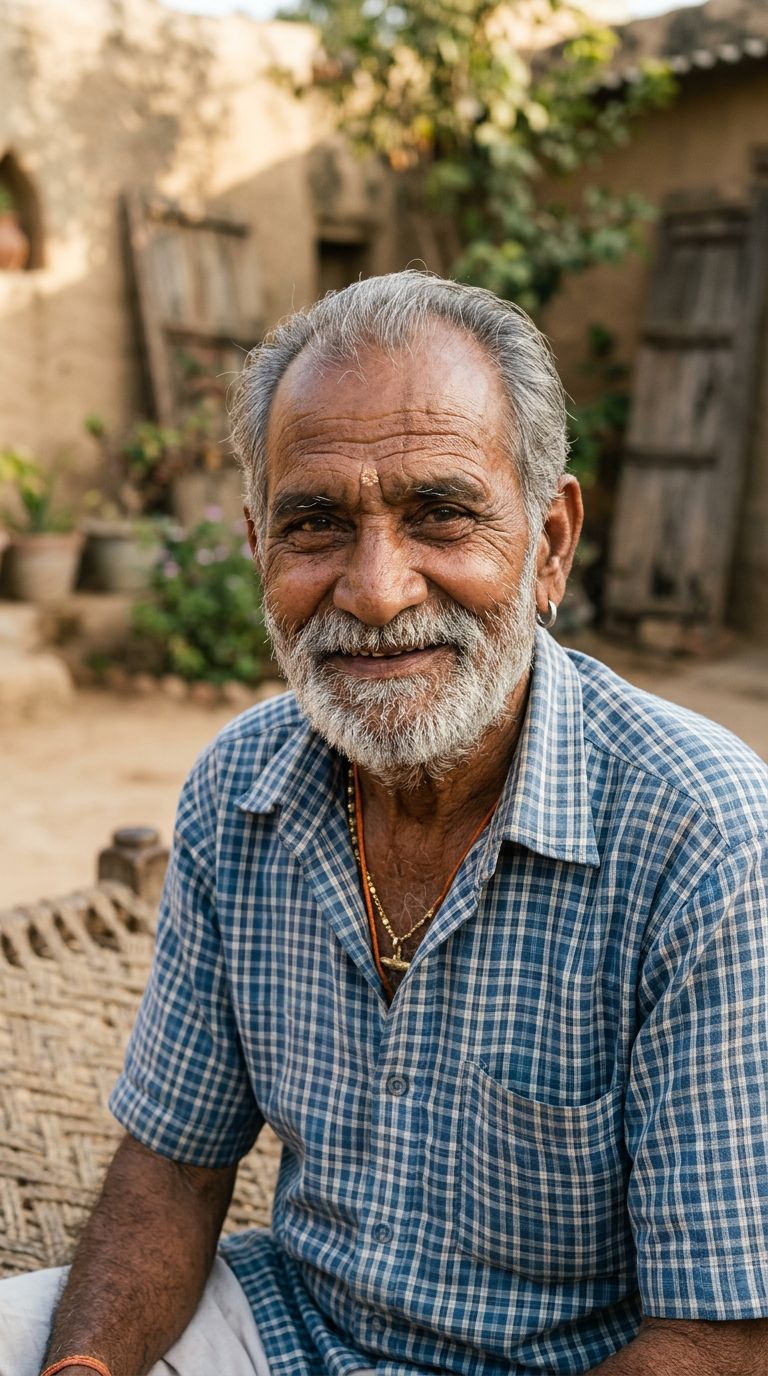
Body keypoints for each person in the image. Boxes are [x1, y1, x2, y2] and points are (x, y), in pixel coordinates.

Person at [2, 271, 767, 1376]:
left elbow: (718, 1337)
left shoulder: (703, 833)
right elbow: (172, 1165)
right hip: (290, 1323)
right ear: (262, 547)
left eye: (439, 513)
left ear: (550, 541)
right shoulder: (238, 789)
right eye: (317, 523)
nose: (374, 587)